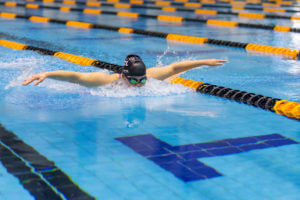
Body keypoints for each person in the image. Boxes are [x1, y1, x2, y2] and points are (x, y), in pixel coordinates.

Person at [23, 55, 227, 87]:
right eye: (135, 81)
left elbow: (174, 67)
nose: (139, 85)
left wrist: (205, 61)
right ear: (123, 75)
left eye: (142, 80)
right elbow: (77, 77)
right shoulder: (106, 81)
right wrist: (48, 74)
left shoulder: (149, 76)